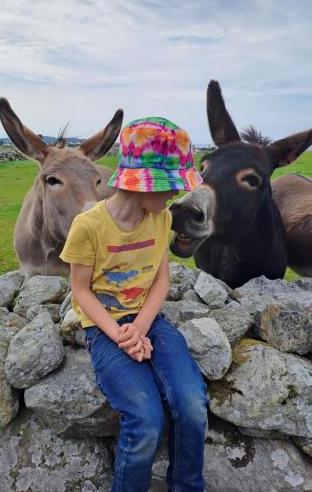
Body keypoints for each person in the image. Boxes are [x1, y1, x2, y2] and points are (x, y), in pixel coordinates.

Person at [60, 117, 209, 491]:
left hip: (147, 321)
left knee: (192, 405)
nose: (174, 196)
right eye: (170, 187)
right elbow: (81, 291)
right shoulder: (89, 227)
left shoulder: (160, 219)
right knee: (145, 419)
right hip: (103, 327)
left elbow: (160, 279)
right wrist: (119, 334)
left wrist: (140, 328)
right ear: (141, 184)